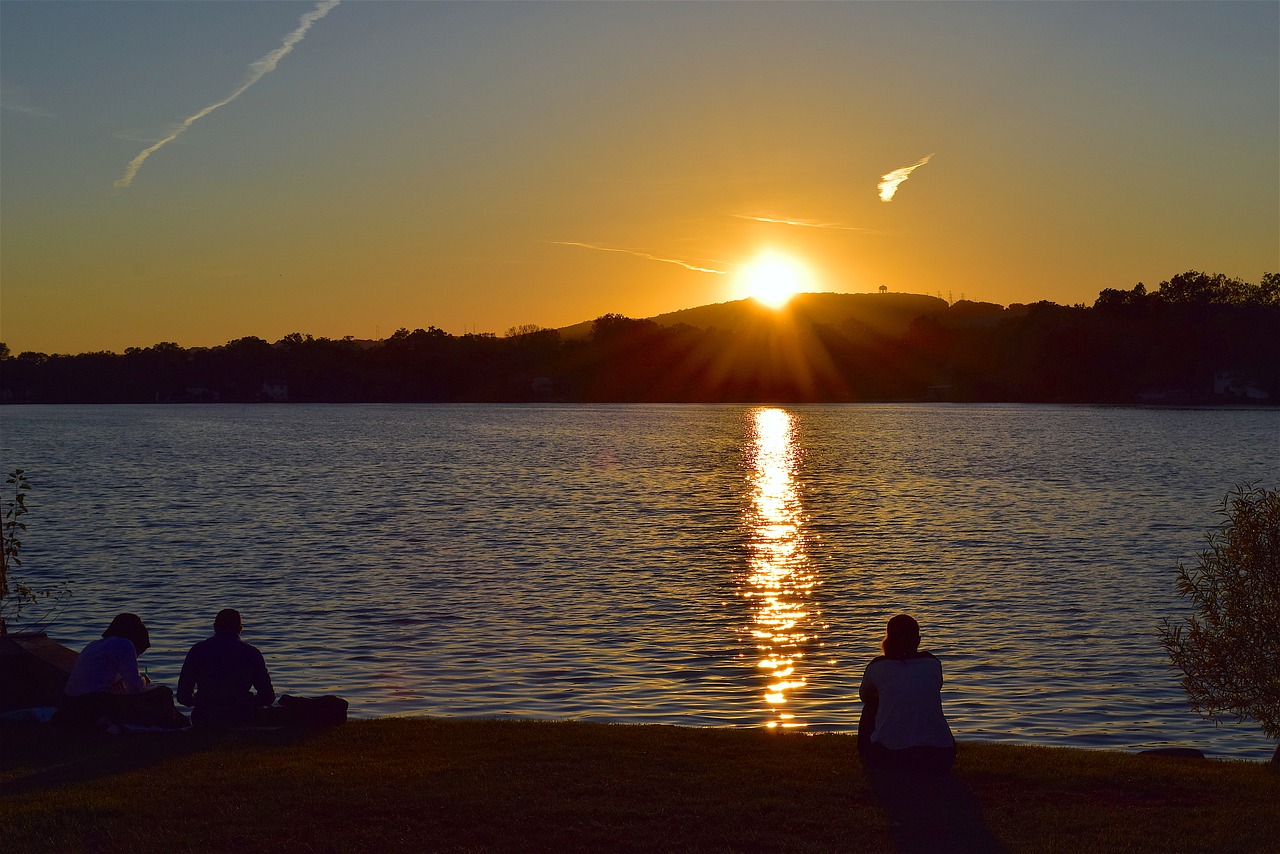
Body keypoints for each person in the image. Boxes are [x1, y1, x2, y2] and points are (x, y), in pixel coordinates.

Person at [857, 614, 956, 774]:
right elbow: (937, 687)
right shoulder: (933, 664)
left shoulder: (876, 666)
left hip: (891, 757)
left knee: (871, 706)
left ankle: (869, 752)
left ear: (888, 640)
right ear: (918, 640)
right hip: (942, 756)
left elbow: (865, 697)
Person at [57, 613, 186, 732]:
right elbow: (135, 688)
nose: (137, 657)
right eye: (139, 652)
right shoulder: (125, 644)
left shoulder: (94, 644)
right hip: (92, 705)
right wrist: (144, 680)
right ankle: (177, 726)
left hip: (69, 704)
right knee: (163, 692)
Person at [177, 608, 275, 728]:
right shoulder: (252, 653)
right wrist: (246, 702)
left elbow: (183, 696)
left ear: (214, 627)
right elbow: (268, 696)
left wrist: (202, 701)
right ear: (240, 629)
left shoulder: (198, 650)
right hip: (241, 717)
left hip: (205, 717)